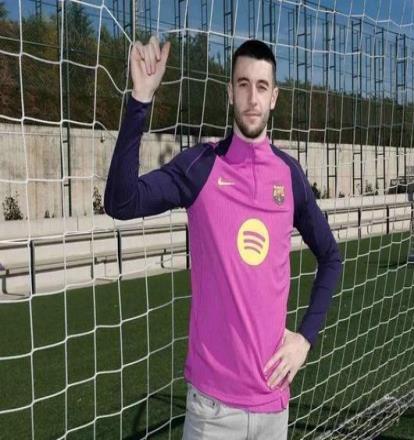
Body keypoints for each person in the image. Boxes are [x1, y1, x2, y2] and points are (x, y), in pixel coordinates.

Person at [104, 35, 343, 440]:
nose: (252, 97)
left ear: (274, 97)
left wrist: (305, 339)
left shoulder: (289, 175)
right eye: (243, 84)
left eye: (262, 86)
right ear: (230, 92)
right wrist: (141, 100)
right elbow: (120, 201)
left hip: (273, 407)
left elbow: (331, 258)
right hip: (213, 412)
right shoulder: (200, 167)